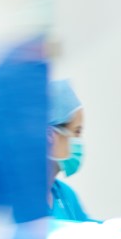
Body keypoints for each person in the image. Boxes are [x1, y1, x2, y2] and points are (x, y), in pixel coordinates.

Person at [48, 79, 90, 221]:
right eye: (76, 131)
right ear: (50, 136)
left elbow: (91, 232)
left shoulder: (63, 194)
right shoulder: (19, 197)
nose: (79, 141)